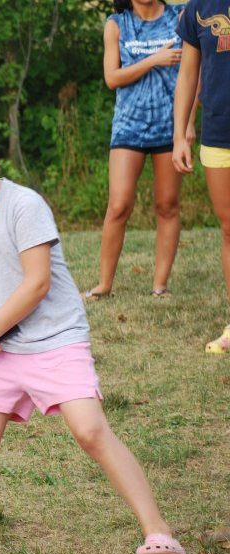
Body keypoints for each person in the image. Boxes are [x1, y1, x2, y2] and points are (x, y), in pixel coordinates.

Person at [0, 110, 185, 554]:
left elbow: (37, 283)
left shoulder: (24, 206)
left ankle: (158, 531)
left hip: (56, 340)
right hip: (4, 352)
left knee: (90, 431)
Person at [83, 0, 194, 300]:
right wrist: (153, 59)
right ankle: (104, 285)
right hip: (128, 128)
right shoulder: (116, 24)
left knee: (167, 205)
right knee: (118, 206)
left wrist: (187, 125)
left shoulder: (179, 16)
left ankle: (160, 286)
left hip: (169, 128)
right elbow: (112, 78)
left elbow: (193, 72)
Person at [172, 0, 230, 352]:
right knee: (229, 229)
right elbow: (189, 74)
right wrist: (181, 132)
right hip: (220, 132)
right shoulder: (199, 7)